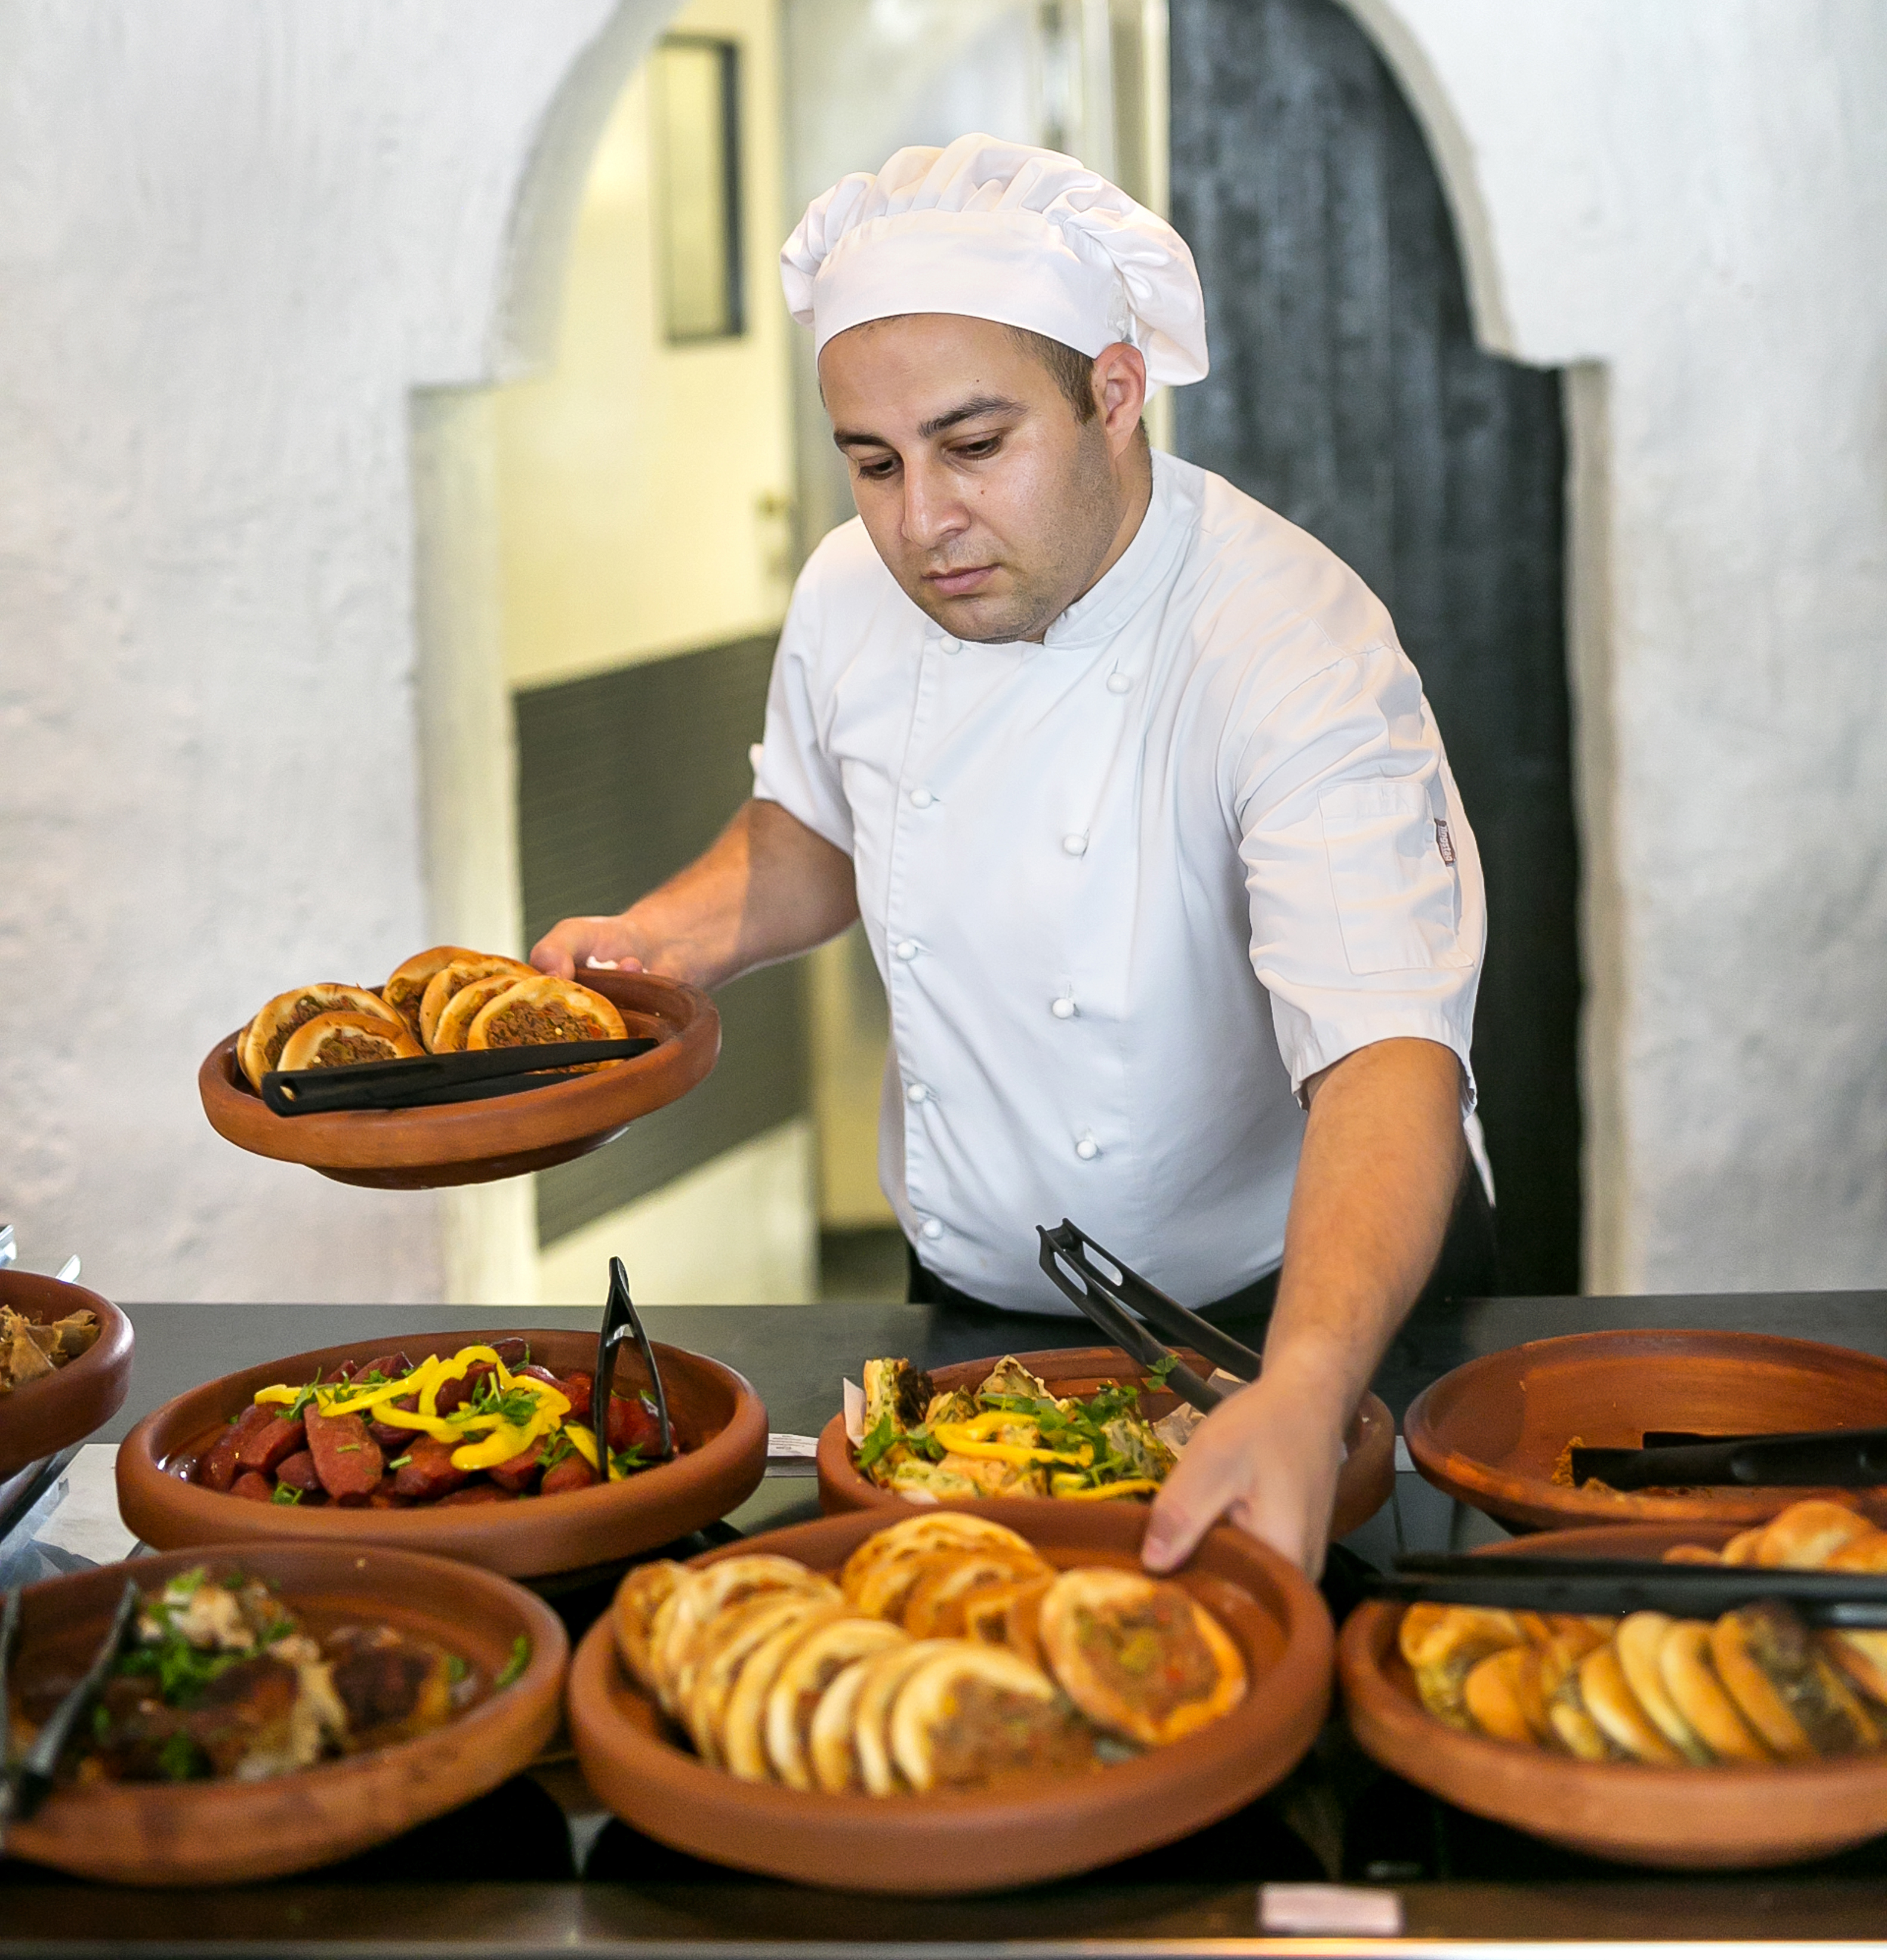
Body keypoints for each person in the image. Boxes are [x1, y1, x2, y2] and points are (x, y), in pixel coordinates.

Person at [532, 135, 1488, 1576]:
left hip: (1280, 1321)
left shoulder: (1291, 643)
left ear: (1115, 392)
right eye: (873, 461)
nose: (922, 522)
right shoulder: (855, 590)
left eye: (975, 446)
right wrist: (665, 942)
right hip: (961, 1321)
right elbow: (817, 824)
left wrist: (1304, 1387)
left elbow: (1388, 1051)